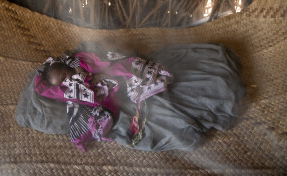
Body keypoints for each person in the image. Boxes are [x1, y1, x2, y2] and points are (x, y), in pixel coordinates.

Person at [16, 42, 245, 152]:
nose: (69, 81)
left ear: (67, 66)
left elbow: (106, 60)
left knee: (166, 81)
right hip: (114, 94)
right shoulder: (74, 91)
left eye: (66, 75)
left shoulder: (80, 63)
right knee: (148, 122)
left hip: (121, 78)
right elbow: (84, 104)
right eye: (63, 83)